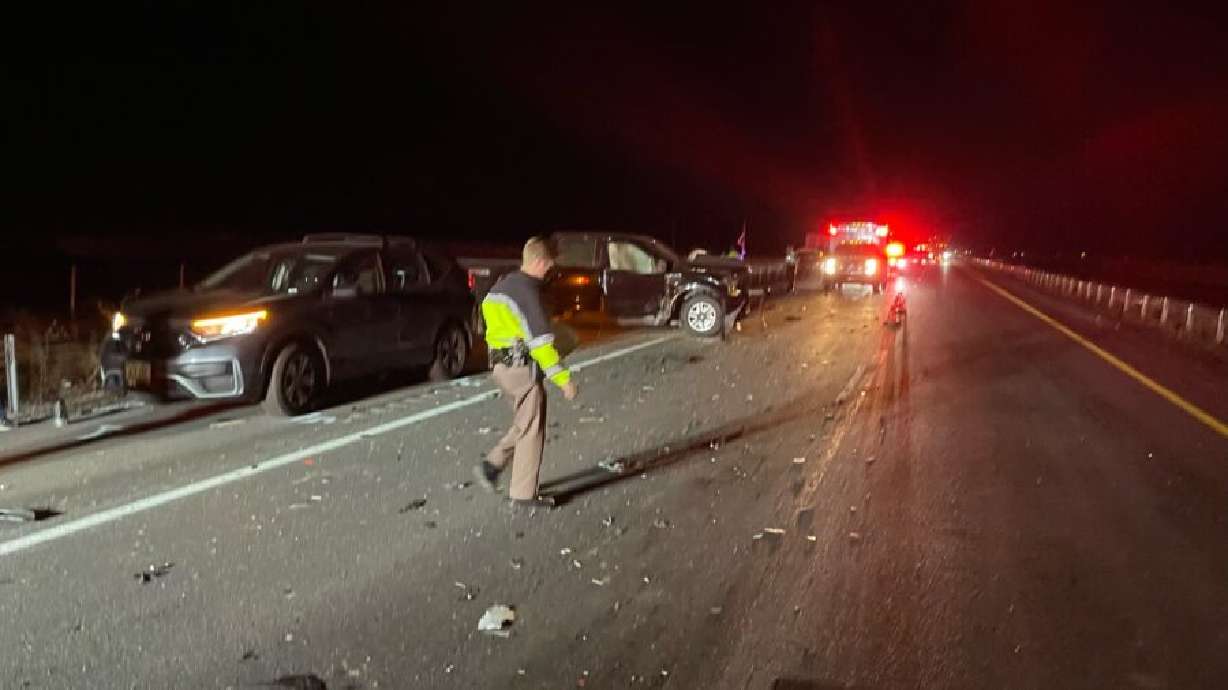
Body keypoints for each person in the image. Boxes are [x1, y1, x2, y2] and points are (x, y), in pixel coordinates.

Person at [473, 236, 578, 509]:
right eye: (549, 265)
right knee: (532, 427)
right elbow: (541, 344)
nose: (550, 271)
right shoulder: (528, 293)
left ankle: (492, 465)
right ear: (540, 262)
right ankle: (523, 493)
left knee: (524, 420)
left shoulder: (501, 288)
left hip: (501, 367)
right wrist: (564, 380)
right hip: (521, 369)